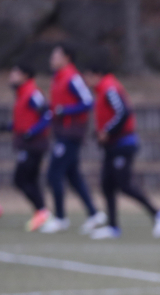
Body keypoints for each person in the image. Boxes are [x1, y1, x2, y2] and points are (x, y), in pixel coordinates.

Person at [82, 57, 160, 240]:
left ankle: (157, 213)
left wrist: (107, 131)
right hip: (112, 145)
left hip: (123, 144)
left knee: (125, 184)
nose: (86, 81)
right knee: (107, 185)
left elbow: (123, 111)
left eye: (88, 76)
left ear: (97, 74)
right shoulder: (102, 90)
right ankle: (113, 227)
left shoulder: (109, 88)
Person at [41, 44, 106, 234]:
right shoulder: (58, 78)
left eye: (56, 56)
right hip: (62, 131)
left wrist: (64, 111)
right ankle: (94, 213)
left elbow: (87, 101)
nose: (52, 59)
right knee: (73, 175)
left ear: (67, 58)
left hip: (71, 133)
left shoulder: (72, 77)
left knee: (54, 174)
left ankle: (60, 218)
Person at [0, 62, 53, 231]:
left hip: (33, 145)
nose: (11, 77)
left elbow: (47, 115)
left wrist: (32, 132)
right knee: (30, 180)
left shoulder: (32, 93)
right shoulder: (22, 94)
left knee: (20, 179)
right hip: (26, 143)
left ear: (25, 76)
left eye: (15, 73)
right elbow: (25, 120)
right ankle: (41, 214)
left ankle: (43, 212)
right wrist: (9, 127)